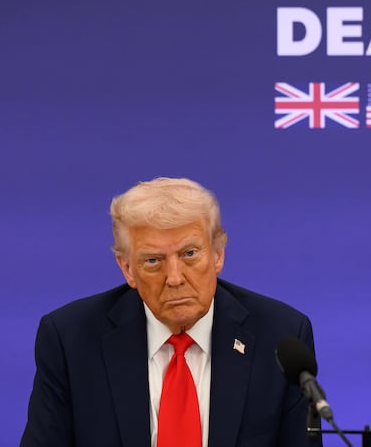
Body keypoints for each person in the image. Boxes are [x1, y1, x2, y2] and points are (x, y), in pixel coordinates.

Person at [21, 177, 321, 447]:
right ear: (127, 268)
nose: (174, 277)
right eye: (153, 260)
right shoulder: (71, 339)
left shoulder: (280, 335)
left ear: (218, 255)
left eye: (189, 254)